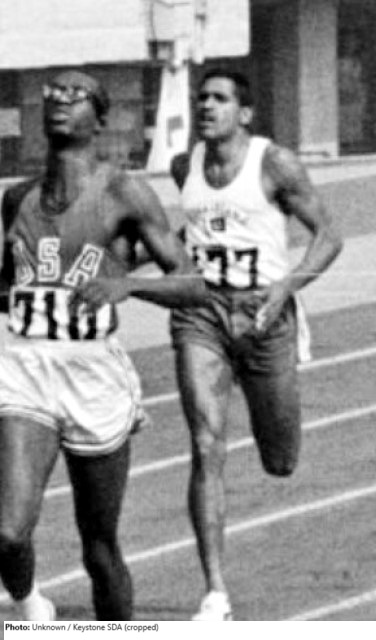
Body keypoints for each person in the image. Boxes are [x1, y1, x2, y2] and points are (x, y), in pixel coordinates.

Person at [0, 70, 205, 621]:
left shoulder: (123, 192)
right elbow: (8, 286)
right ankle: (29, 605)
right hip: (24, 366)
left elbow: (193, 284)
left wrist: (128, 285)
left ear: (101, 117)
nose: (60, 101)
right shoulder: (17, 198)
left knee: (99, 546)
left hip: (93, 373)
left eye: (75, 95)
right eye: (52, 94)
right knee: (8, 532)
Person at [169, 69, 343, 621]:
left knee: (281, 459)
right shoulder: (185, 166)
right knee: (205, 444)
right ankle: (215, 591)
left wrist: (288, 285)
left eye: (219, 99)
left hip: (265, 317)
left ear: (244, 113)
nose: (206, 106)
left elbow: (329, 235)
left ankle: (278, 430)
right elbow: (198, 230)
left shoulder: (276, 163)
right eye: (201, 98)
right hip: (202, 314)